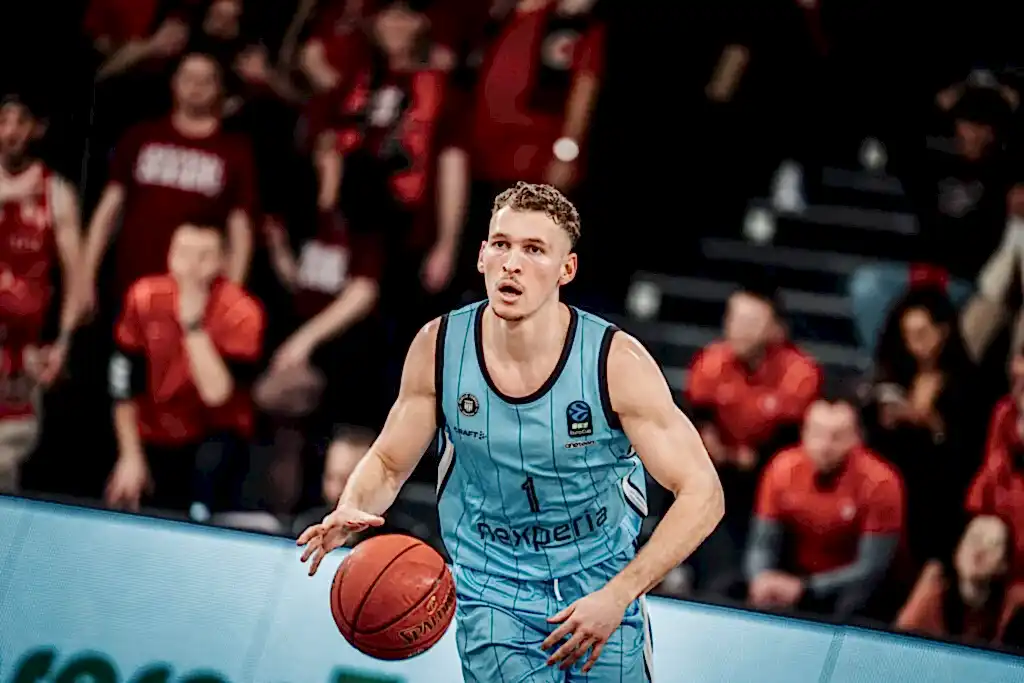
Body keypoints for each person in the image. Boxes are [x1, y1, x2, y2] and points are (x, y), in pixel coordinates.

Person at [298, 181, 724, 680]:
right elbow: (390, 463)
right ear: (481, 256)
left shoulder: (615, 362)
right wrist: (355, 503)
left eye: (534, 249)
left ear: (567, 269)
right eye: (501, 244)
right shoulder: (438, 347)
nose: (512, 262)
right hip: (492, 589)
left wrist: (619, 594)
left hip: (600, 585)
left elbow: (704, 494)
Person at [104, 223, 264, 514]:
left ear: (223, 261)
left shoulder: (243, 312)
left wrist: (192, 325)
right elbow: (123, 385)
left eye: (204, 256)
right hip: (151, 432)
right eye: (183, 253)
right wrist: (130, 456)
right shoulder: (143, 297)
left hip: (211, 437)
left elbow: (217, 394)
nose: (191, 266)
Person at [0, 95, 83, 492]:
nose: (10, 132)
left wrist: (63, 343)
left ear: (36, 129)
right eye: (3, 122)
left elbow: (77, 280)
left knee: (8, 463)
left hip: (23, 356)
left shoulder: (56, 192)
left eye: (20, 122)